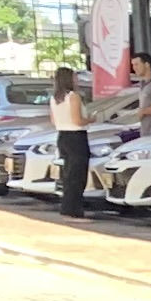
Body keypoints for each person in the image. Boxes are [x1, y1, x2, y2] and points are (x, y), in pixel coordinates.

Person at [50, 65, 91, 216]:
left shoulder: (55, 99)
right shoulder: (73, 96)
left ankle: (67, 206)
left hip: (62, 135)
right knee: (78, 174)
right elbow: (77, 120)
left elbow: (53, 121)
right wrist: (90, 119)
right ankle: (74, 208)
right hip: (76, 136)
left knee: (68, 173)